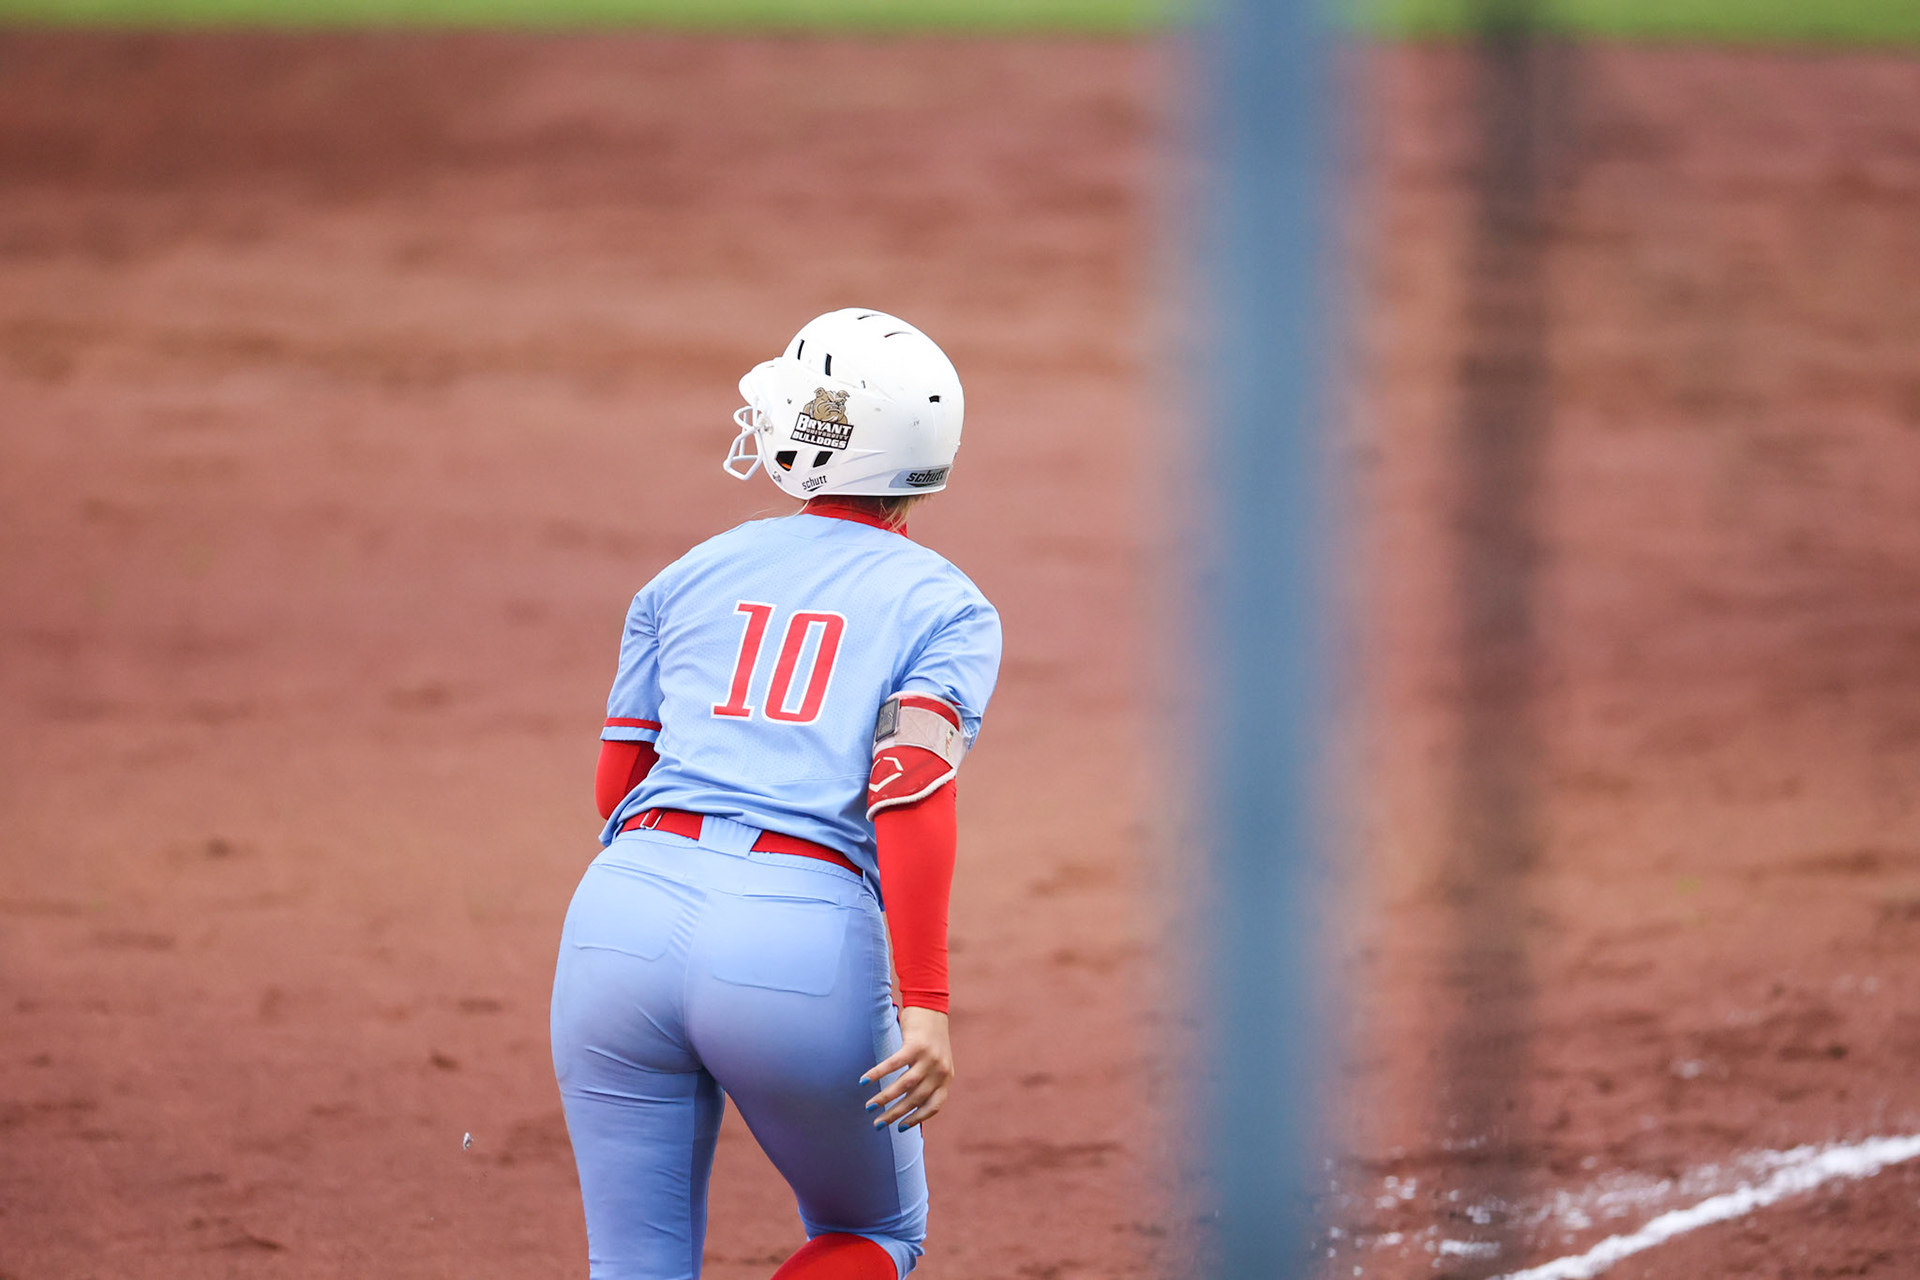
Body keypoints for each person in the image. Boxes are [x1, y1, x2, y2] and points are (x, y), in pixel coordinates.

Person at [550, 308, 1003, 1280]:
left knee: (634, 1262)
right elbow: (910, 791)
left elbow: (615, 786)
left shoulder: (683, 576)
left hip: (620, 921)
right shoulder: (948, 604)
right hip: (795, 944)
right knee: (873, 1231)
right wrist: (925, 1001)